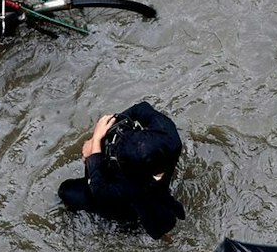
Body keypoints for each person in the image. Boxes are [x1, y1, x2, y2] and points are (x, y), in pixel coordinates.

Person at [57, 102, 186, 240]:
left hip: (131, 200)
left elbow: (98, 188)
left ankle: (131, 226)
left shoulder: (126, 186)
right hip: (156, 183)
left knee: (66, 191)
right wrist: (114, 121)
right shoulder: (169, 136)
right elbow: (140, 108)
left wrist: (93, 148)